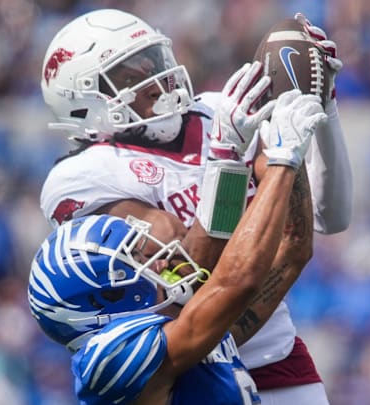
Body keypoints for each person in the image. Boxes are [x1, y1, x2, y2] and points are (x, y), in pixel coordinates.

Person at [39, 8, 352, 403]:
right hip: (174, 371)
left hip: (275, 355)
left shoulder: (216, 111)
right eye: (129, 78)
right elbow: (183, 274)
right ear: (84, 104)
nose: (156, 83)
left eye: (154, 63)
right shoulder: (82, 175)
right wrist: (226, 160)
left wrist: (323, 110)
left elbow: (325, 218)